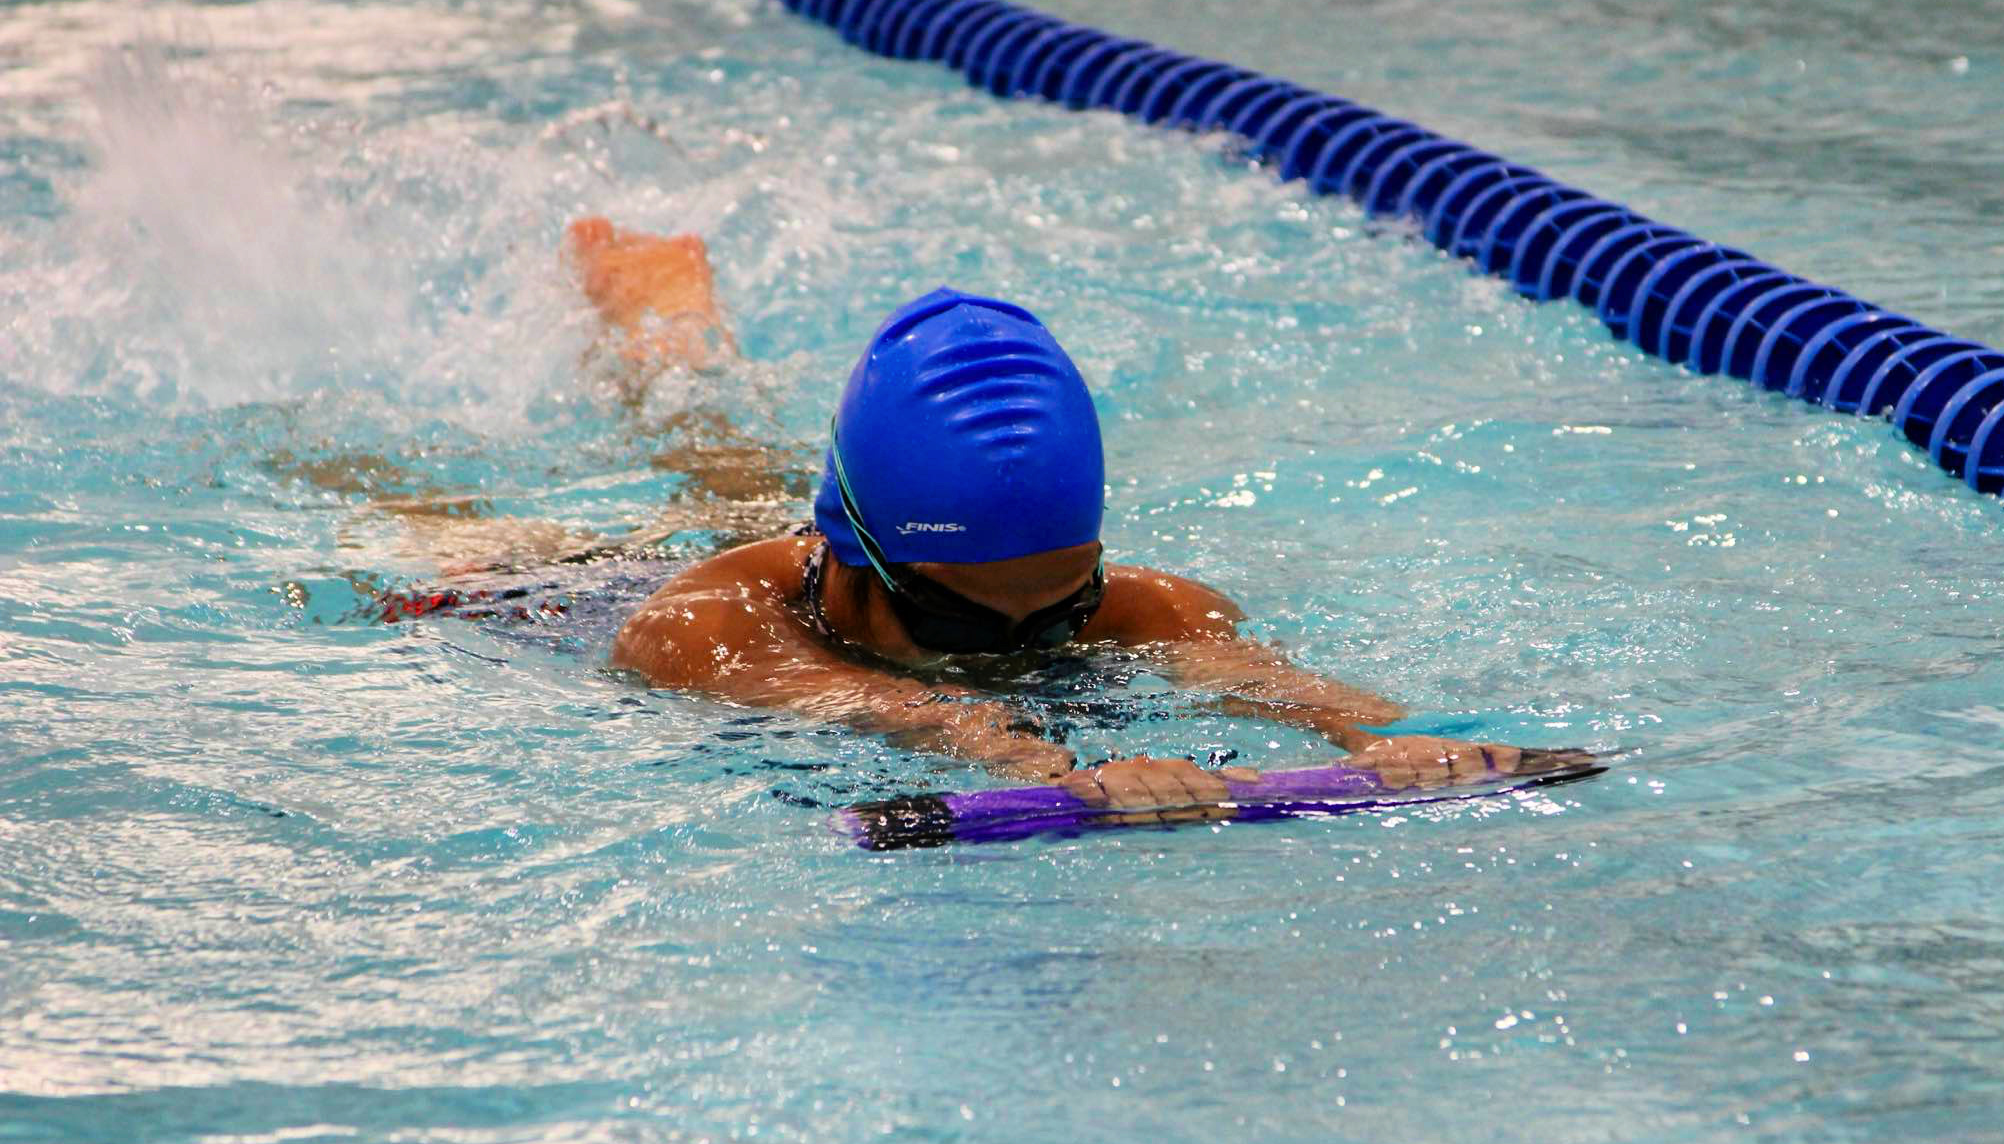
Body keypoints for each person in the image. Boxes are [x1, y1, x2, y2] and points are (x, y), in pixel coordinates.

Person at [575, 218, 1588, 820]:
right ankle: (656, 325)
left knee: (724, 470)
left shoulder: (1145, 609)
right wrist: (1051, 765)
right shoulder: (700, 627)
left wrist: (1381, 742)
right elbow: (895, 708)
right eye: (966, 623)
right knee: (500, 521)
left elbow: (1278, 684)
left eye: (1065, 609)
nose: (1020, 646)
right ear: (860, 554)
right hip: (594, 579)